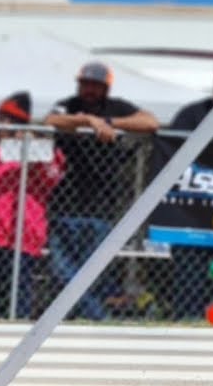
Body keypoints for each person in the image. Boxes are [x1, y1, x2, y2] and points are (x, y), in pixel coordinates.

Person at [43, 61, 159, 320]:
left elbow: (151, 122)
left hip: (101, 207)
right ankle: (98, 318)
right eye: (85, 84)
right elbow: (50, 120)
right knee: (62, 269)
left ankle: (81, 317)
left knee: (93, 271)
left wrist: (109, 122)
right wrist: (87, 121)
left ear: (105, 88)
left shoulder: (116, 107)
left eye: (95, 86)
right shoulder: (69, 105)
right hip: (64, 205)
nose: (89, 90)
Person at [0, 92, 67, 319]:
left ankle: (18, 333)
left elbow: (52, 177)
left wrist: (31, 149)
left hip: (21, 230)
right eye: (1, 118)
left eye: (9, 120)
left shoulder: (38, 150)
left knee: (18, 291)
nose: (3, 124)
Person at [155, 65, 213, 320]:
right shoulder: (192, 114)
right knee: (188, 280)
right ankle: (186, 323)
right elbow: (171, 147)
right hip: (190, 220)